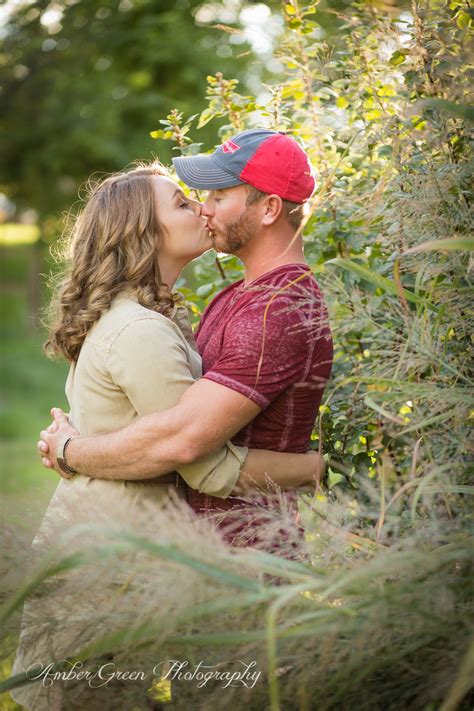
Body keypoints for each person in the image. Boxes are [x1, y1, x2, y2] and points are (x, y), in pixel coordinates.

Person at [12, 161, 323, 711]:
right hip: (107, 569)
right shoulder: (140, 330)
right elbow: (202, 463)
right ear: (144, 234)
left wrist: (70, 448)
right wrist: (326, 466)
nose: (201, 208)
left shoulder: (145, 318)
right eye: (182, 204)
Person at [38, 128, 333, 551]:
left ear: (269, 209)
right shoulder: (222, 301)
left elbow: (186, 444)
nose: (204, 208)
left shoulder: (277, 309)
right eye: (191, 200)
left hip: (241, 553)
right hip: (144, 553)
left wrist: (69, 450)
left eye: (219, 196)